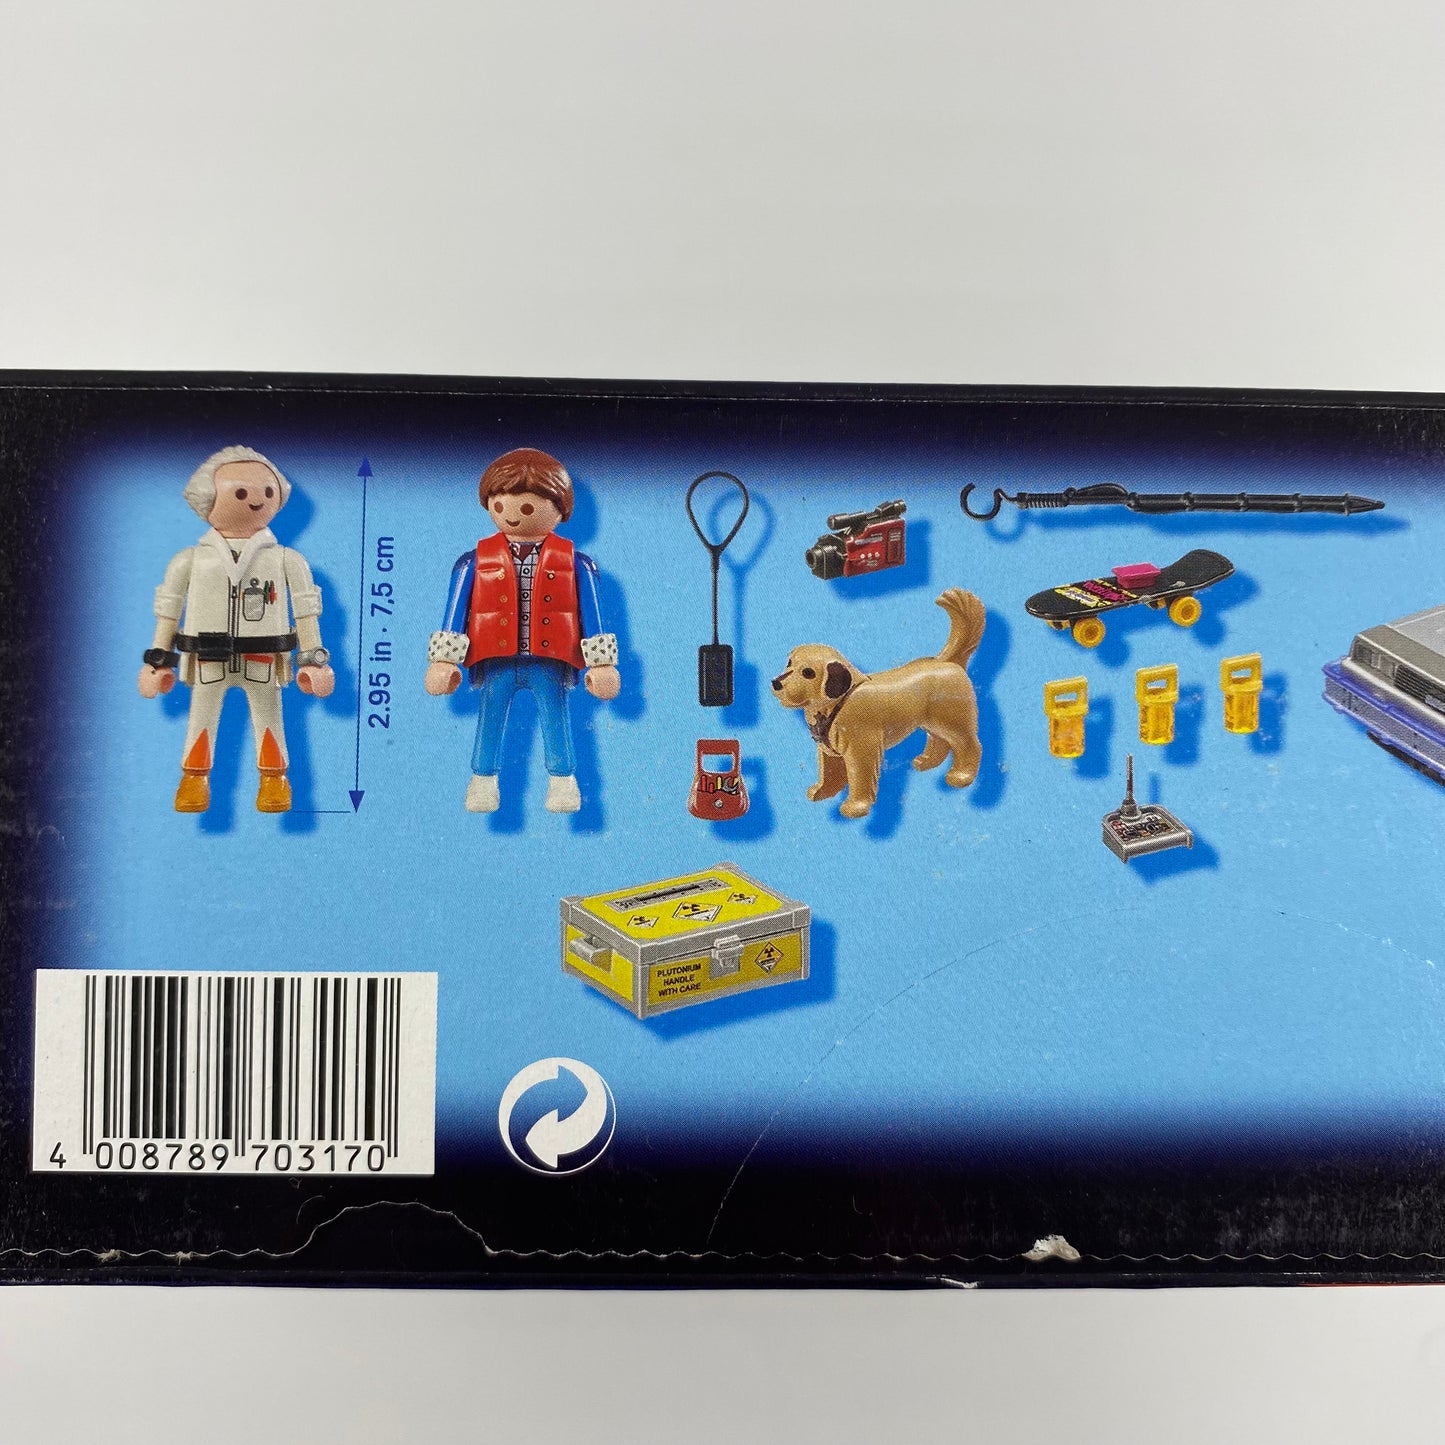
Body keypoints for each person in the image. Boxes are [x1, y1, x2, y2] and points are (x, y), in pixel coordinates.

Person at [138, 445, 335, 813]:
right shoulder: (189, 560)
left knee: (269, 715)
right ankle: (194, 779)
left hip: (263, 656)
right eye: (240, 493)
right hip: (207, 657)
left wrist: (314, 659)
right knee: (201, 716)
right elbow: (168, 610)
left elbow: (307, 610)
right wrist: (158, 659)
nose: (256, 499)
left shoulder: (286, 560)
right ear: (207, 497)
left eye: (267, 490)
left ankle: (274, 779)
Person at [425, 447, 620, 813]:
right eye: (500, 505)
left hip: (550, 659)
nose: (512, 515)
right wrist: (444, 660)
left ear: (559, 507)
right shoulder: (473, 562)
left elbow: (593, 615)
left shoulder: (576, 563)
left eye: (527, 507)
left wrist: (602, 664)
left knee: (555, 718)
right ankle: (482, 780)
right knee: (490, 719)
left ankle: (562, 781)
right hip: (495, 659)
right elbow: (455, 612)